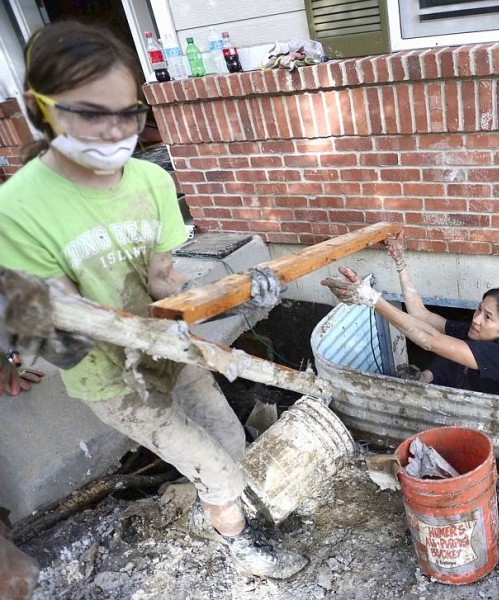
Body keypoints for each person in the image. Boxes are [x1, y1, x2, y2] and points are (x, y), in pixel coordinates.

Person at [0, 21, 305, 580]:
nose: (114, 131)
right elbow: (67, 338)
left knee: (232, 442)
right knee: (217, 468)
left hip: (173, 352)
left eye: (126, 112)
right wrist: (26, 327)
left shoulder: (149, 179)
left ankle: (216, 512)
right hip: (112, 380)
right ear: (42, 109)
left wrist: (239, 299)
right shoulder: (17, 209)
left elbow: (164, 281)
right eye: (90, 113)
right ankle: (236, 543)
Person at [321, 233, 499, 399]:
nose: (476, 319)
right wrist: (401, 265)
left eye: (488, 317)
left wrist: (370, 299)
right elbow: (421, 315)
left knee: (449, 346)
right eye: (479, 309)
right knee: (453, 349)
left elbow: (430, 340)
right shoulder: (475, 333)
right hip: (469, 403)